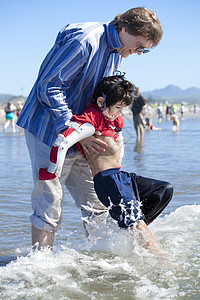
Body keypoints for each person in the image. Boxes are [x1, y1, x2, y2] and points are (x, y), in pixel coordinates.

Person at [16, 7, 163, 249]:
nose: (137, 53)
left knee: (97, 204)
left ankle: (98, 268)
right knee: (49, 205)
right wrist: (74, 131)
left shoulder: (118, 50)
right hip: (49, 130)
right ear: (124, 29)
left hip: (85, 134)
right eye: (138, 46)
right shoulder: (85, 40)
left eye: (143, 50)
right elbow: (49, 86)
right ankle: (39, 271)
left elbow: (100, 99)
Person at [39, 75, 173, 253]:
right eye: (118, 108)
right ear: (101, 101)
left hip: (121, 176)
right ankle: (157, 254)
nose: (119, 112)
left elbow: (120, 139)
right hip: (107, 180)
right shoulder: (92, 117)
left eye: (123, 109)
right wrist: (52, 171)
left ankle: (131, 228)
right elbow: (62, 141)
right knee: (135, 221)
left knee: (164, 190)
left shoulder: (113, 118)